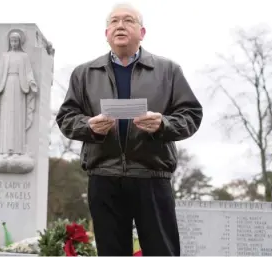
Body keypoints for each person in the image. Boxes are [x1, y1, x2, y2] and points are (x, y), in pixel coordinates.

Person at [55, 3, 203, 256]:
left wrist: (163, 124)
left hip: (152, 176)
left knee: (162, 251)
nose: (120, 25)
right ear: (106, 33)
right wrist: (89, 127)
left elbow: (191, 115)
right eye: (114, 21)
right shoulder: (84, 74)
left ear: (142, 32)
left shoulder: (168, 71)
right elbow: (67, 118)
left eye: (128, 20)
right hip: (103, 177)